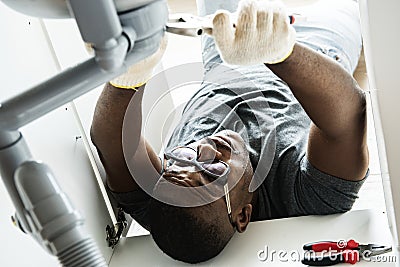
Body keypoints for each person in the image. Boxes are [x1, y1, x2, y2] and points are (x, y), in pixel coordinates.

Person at [90, 0, 368, 263]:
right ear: (242, 215)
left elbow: (109, 139)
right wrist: (279, 53)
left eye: (185, 157)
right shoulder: (305, 199)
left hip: (223, 51)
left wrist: (131, 74)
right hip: (313, 51)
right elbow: (349, 115)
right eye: (212, 172)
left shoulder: (165, 203)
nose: (207, 148)